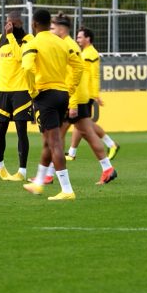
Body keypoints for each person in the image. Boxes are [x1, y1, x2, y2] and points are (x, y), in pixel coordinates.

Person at [20, 9, 83, 201]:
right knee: (49, 139)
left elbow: (27, 68)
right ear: (50, 24)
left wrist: (32, 91)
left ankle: (67, 189)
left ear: (34, 24)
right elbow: (79, 66)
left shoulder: (33, 43)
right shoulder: (62, 43)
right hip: (62, 94)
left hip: (45, 95)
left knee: (54, 141)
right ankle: (38, 183)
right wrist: (70, 88)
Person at [50, 16, 117, 186]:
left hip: (75, 97)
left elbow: (76, 75)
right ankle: (108, 168)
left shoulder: (69, 46)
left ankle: (48, 174)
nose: (51, 30)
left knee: (57, 135)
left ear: (62, 29)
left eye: (53, 28)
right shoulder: (69, 45)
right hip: (78, 96)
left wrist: (72, 103)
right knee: (85, 132)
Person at [0, 10, 34, 181]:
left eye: (11, 23)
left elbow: (21, 57)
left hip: (21, 91)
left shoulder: (28, 39)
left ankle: (22, 171)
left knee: (22, 131)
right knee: (0, 131)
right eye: (7, 22)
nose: (8, 26)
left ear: (19, 23)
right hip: (2, 91)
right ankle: (0, 166)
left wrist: (11, 37)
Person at [66, 26, 120, 161]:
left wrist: (95, 94)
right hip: (83, 92)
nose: (77, 39)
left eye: (80, 37)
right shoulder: (85, 52)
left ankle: (111, 144)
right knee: (81, 123)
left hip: (86, 94)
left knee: (84, 124)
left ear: (87, 38)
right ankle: (72, 152)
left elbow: (94, 75)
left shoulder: (91, 54)